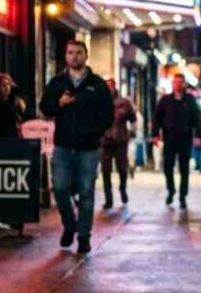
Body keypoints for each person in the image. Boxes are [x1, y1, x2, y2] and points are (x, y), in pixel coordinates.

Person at [40, 40, 113, 254]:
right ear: (66, 56)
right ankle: (69, 224)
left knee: (86, 192)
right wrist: (59, 104)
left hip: (88, 149)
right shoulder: (57, 82)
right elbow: (45, 107)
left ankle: (83, 237)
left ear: (86, 55)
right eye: (71, 52)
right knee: (60, 188)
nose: (74, 56)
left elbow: (107, 115)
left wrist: (94, 132)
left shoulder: (97, 84)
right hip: (63, 146)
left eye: (79, 52)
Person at [152, 74, 201, 209]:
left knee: (184, 169)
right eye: (175, 82)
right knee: (168, 167)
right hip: (169, 139)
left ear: (183, 84)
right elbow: (157, 118)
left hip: (185, 139)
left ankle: (183, 195)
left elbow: (197, 118)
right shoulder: (165, 100)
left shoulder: (190, 100)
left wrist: (198, 135)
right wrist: (155, 134)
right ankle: (171, 190)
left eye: (180, 82)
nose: (178, 84)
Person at [100, 78, 137, 209]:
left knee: (122, 169)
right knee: (106, 171)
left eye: (110, 86)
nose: (109, 89)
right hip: (105, 142)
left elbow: (133, 118)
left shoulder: (124, 102)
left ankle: (122, 189)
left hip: (120, 140)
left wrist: (132, 131)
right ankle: (108, 199)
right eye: (106, 87)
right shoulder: (100, 102)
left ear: (115, 87)